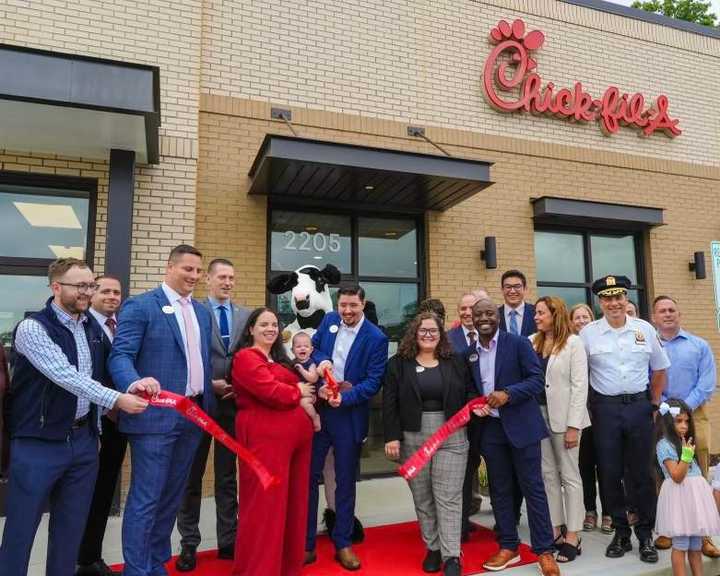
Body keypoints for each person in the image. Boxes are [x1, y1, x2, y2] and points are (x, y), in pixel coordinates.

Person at [0, 258, 149, 576]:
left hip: (82, 444)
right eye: (81, 286)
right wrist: (118, 400)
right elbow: (65, 376)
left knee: (69, 532)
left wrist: (135, 385)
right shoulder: (32, 328)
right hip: (38, 443)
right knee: (21, 530)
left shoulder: (93, 328)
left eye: (90, 285)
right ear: (56, 287)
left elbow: (106, 372)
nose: (88, 292)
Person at [108, 244, 214, 576]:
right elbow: (119, 355)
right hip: (154, 418)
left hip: (193, 417)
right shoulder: (141, 306)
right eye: (188, 270)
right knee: (146, 499)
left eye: (198, 271)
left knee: (171, 497)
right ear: (169, 268)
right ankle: (136, 571)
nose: (194, 276)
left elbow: (198, 362)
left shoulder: (202, 312)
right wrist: (135, 382)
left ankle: (155, 564)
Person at [579, 275, 670, 563]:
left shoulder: (643, 329)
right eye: (607, 298)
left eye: (619, 297)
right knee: (609, 472)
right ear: (600, 302)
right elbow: (579, 376)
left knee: (642, 473)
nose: (614, 303)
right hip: (604, 410)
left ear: (626, 299)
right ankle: (620, 532)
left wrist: (653, 403)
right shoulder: (589, 334)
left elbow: (659, 370)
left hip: (639, 408)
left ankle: (645, 535)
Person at [468, 298, 560, 576]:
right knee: (500, 491)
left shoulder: (518, 343)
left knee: (533, 489)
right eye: (478, 314)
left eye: (488, 313)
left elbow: (535, 380)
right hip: (492, 431)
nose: (484, 318)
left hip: (522, 427)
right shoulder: (470, 353)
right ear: (472, 319)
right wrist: (476, 403)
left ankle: (544, 551)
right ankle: (508, 546)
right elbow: (469, 389)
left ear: (497, 316)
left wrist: (508, 394)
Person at [383, 312, 474, 576]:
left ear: (441, 334)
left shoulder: (455, 361)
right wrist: (391, 436)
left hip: (451, 436)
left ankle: (451, 556)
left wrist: (471, 409)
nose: (428, 335)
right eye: (423, 330)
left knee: (448, 497)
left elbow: (471, 391)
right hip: (413, 435)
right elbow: (390, 403)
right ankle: (433, 548)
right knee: (423, 497)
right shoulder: (398, 364)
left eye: (433, 331)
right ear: (414, 333)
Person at [305, 284, 389, 571]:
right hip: (319, 413)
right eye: (343, 305)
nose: (348, 311)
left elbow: (374, 380)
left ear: (363, 304)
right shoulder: (328, 321)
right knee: (308, 478)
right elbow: (312, 349)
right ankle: (305, 543)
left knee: (344, 482)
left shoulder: (376, 338)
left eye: (353, 305)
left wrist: (345, 396)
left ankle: (342, 542)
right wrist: (321, 361)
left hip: (348, 416)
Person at [175, 258, 250, 571]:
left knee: (227, 477)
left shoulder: (247, 315)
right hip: (200, 406)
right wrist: (210, 384)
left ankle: (228, 540)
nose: (227, 283)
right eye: (222, 277)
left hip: (235, 408)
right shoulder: (192, 311)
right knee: (191, 476)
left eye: (232, 277)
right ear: (208, 279)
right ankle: (189, 544)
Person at [230, 307, 314, 576]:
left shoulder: (279, 358)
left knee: (293, 506)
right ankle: (259, 569)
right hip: (264, 440)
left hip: (295, 440)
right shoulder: (245, 357)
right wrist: (297, 391)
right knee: (265, 507)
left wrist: (309, 393)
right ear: (250, 329)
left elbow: (289, 389)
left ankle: (287, 566)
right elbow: (270, 392)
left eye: (275, 324)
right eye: (264, 324)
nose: (270, 329)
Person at [652, 295, 719, 557]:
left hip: (694, 413)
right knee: (664, 474)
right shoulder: (650, 345)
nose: (668, 314)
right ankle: (669, 530)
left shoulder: (698, 345)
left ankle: (703, 536)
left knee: (699, 473)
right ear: (654, 317)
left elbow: (706, 382)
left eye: (672, 310)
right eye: (662, 311)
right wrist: (666, 409)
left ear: (679, 314)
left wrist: (682, 409)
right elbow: (647, 380)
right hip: (661, 415)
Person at [532, 297, 590, 563]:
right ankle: (556, 529)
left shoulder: (574, 343)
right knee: (548, 476)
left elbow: (580, 386)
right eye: (535, 313)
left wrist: (573, 426)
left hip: (566, 419)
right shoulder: (533, 341)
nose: (536, 317)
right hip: (538, 418)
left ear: (555, 314)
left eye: (541, 313)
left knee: (570, 476)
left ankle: (573, 535)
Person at [77, 275, 126, 576]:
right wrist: (108, 407)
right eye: (105, 290)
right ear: (92, 293)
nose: (112, 296)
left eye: (117, 292)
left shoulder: (119, 327)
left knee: (105, 491)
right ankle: (82, 558)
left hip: (119, 422)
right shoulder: (84, 325)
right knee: (88, 494)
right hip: (95, 422)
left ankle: (90, 557)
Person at [654, 399, 720, 576]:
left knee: (695, 545)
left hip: (694, 501)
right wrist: (685, 456)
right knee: (681, 544)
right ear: (668, 422)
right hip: (680, 500)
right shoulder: (664, 445)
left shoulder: (687, 443)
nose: (684, 425)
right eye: (679, 421)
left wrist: (688, 452)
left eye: (687, 421)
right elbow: (676, 476)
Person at [570, 304, 612, 535]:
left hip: (602, 411)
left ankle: (608, 512)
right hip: (579, 414)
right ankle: (589, 511)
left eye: (585, 316)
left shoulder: (600, 343)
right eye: (576, 317)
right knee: (584, 466)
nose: (581, 320)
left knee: (606, 465)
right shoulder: (567, 346)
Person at [291, 331, 321, 431]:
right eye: (298, 346)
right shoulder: (292, 363)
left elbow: (314, 378)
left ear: (311, 350)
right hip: (297, 392)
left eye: (306, 346)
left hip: (311, 394)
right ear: (292, 350)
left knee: (304, 403)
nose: (302, 348)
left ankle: (315, 417)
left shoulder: (311, 363)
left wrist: (302, 370)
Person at [498, 270, 536, 337]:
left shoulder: (536, 313)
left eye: (517, 286)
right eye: (508, 287)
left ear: (525, 289)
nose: (512, 291)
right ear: (502, 290)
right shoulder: (494, 315)